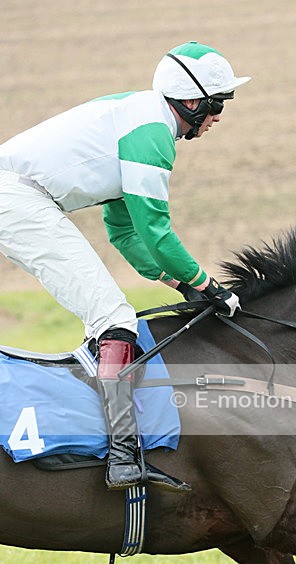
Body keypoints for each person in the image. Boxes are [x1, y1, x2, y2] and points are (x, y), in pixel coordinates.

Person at [0, 42, 250, 492]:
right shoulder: (152, 134)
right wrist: (207, 284)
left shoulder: (141, 117)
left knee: (109, 318)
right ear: (192, 102)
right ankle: (123, 458)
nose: (219, 117)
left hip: (18, 198)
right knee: (114, 318)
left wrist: (180, 283)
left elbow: (124, 233)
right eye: (217, 104)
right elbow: (156, 232)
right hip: (18, 201)